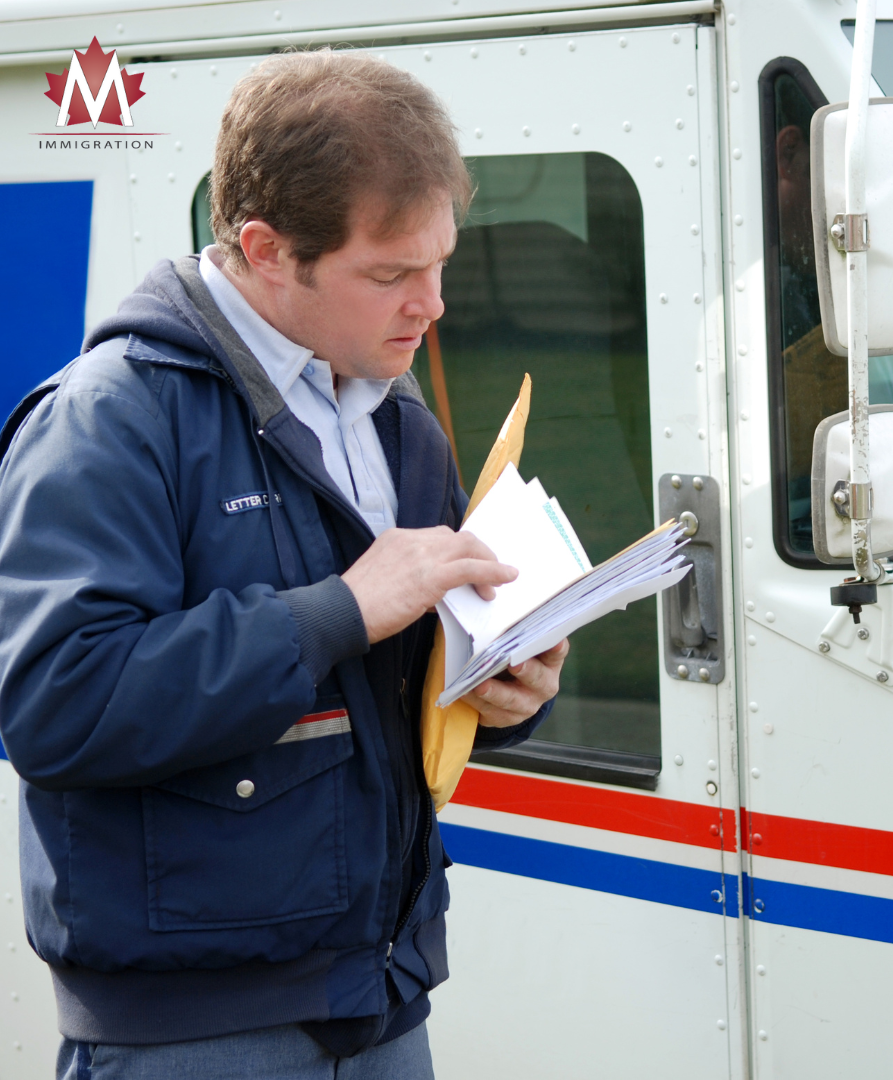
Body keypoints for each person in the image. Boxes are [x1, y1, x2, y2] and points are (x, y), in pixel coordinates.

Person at [0, 50, 568, 1079]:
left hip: (385, 1000)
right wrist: (339, 611)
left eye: (440, 262)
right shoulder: (109, 417)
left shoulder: (399, 424)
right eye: (391, 274)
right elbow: (54, 702)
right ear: (265, 249)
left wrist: (511, 684)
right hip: (192, 1034)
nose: (431, 305)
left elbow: (403, 685)